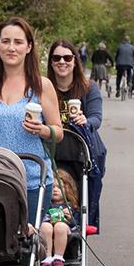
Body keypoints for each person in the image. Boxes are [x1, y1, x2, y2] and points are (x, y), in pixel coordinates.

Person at [0, 17, 62, 227]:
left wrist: (43, 130)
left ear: (28, 47)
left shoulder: (41, 85)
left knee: (24, 245)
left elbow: (58, 131)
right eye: (6, 41)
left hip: (32, 180)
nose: (11, 48)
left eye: (18, 42)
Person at [46, 39, 107, 230]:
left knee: (82, 183)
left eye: (67, 57)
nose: (62, 62)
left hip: (80, 148)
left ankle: (78, 222)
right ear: (51, 62)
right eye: (56, 58)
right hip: (52, 147)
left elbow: (96, 118)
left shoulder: (88, 88)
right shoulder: (44, 88)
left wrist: (85, 121)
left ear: (75, 60)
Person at [39, 168, 79, 266]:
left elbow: (77, 224)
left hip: (64, 229)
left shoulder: (71, 206)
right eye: (52, 187)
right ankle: (46, 260)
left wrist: (70, 218)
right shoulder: (45, 204)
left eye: (59, 187)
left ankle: (58, 259)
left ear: (67, 189)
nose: (55, 190)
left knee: (60, 226)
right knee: (45, 226)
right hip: (46, 229)